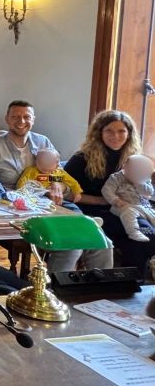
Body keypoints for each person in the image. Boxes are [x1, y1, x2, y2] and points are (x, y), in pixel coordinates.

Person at [0, 101, 113, 272]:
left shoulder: (43, 141)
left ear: (33, 119)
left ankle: (99, 287)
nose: (21, 121)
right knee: (71, 245)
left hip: (51, 205)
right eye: (15, 117)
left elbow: (59, 172)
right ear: (7, 119)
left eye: (26, 117)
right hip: (15, 209)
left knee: (103, 243)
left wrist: (57, 184)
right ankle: (53, 287)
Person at [65, 110, 155, 273]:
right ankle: (124, 279)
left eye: (121, 131)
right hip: (93, 211)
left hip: (129, 209)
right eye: (109, 131)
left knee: (148, 236)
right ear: (99, 132)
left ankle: (132, 281)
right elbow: (67, 194)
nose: (116, 136)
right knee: (135, 239)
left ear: (129, 134)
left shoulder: (134, 159)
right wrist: (103, 200)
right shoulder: (81, 158)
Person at [102, 155, 155, 242]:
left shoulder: (144, 179)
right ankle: (133, 232)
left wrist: (139, 183)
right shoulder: (116, 177)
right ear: (124, 167)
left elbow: (149, 192)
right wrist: (115, 200)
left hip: (141, 206)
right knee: (129, 213)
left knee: (152, 215)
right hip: (122, 206)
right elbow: (106, 190)